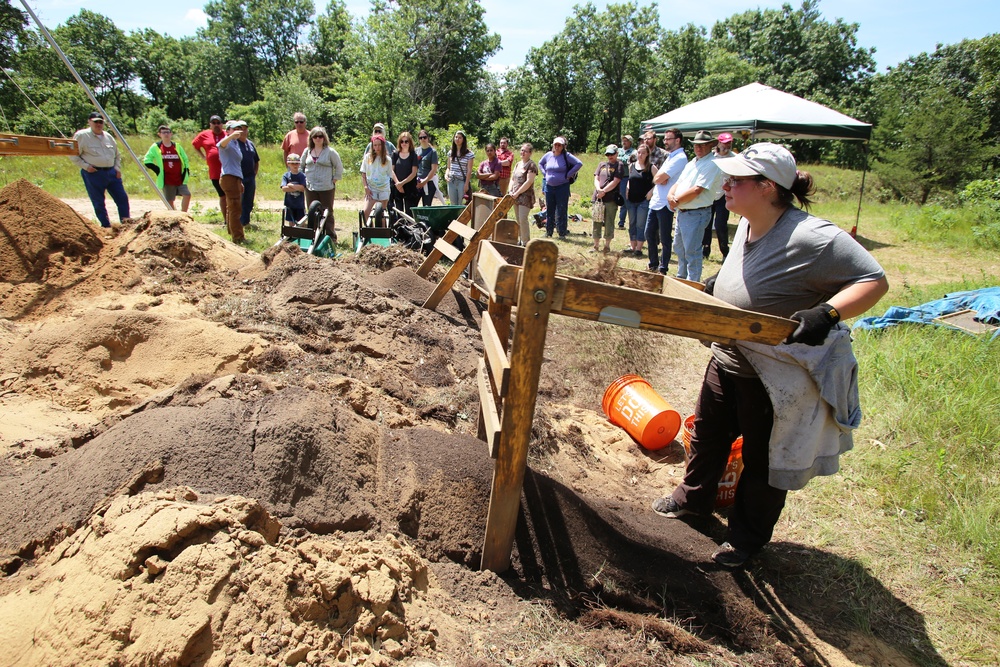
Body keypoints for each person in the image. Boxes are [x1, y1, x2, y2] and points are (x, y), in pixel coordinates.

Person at [651, 142, 889, 569]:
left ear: (766, 187)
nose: (725, 184)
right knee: (707, 435)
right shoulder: (745, 223)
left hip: (773, 374)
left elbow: (873, 279)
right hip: (728, 357)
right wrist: (716, 284)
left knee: (763, 459)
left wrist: (829, 311)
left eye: (736, 180)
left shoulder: (812, 236)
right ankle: (693, 502)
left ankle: (745, 540)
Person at [667, 130, 723, 282]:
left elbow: (698, 189)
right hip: (683, 211)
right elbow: (678, 182)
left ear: (711, 145)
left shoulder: (712, 164)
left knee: (692, 251)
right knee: (679, 247)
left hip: (696, 213)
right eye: (696, 145)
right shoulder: (693, 162)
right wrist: (670, 196)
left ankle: (692, 283)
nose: (698, 148)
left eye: (703, 145)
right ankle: (681, 277)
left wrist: (676, 200)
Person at [70, 111, 130, 228]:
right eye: (96, 122)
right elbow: (73, 155)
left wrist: (117, 168)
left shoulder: (108, 136)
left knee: (122, 198)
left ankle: (126, 224)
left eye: (101, 122)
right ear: (89, 122)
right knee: (98, 202)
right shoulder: (82, 135)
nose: (98, 124)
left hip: (111, 172)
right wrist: (86, 167)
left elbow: (117, 155)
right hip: (94, 173)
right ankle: (106, 226)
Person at [644, 128, 687, 274]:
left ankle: (663, 268)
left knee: (664, 237)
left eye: (668, 139)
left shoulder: (680, 158)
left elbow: (658, 178)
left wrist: (659, 177)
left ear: (677, 140)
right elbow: (658, 178)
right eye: (665, 139)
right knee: (649, 233)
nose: (665, 141)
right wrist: (659, 178)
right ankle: (653, 264)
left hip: (665, 203)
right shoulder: (670, 157)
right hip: (656, 201)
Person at [538, 136, 583, 239]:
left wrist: (569, 174)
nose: (557, 147)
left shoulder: (566, 156)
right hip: (549, 187)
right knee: (550, 209)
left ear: (563, 146)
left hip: (562, 187)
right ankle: (549, 232)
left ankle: (562, 233)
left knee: (561, 210)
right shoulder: (548, 155)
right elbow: (540, 163)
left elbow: (579, 163)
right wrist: (545, 174)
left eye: (559, 145)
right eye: (555, 145)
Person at [303, 126, 344, 234]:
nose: (318, 138)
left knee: (327, 212)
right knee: (312, 212)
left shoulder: (330, 152)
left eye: (320, 136)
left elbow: (339, 167)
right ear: (311, 138)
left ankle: (330, 236)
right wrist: (303, 180)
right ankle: (314, 236)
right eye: (315, 136)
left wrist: (334, 180)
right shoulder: (307, 151)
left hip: (326, 187)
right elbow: (300, 166)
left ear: (324, 138)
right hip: (310, 187)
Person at [143, 125, 191, 212]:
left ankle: (184, 214)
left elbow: (185, 159)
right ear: (159, 134)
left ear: (171, 134)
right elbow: (147, 160)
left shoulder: (177, 146)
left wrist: (186, 170)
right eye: (163, 132)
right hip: (166, 178)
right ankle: (174, 216)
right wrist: (157, 170)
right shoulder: (156, 147)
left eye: (168, 132)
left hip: (179, 177)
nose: (166, 134)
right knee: (170, 200)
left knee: (187, 195)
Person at [703, 132, 734, 259]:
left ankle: (725, 251)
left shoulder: (734, 158)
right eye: (724, 143)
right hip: (710, 194)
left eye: (729, 143)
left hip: (723, 195)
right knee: (707, 224)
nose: (727, 146)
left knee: (721, 224)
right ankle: (705, 250)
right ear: (719, 143)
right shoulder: (712, 157)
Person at [191, 115, 227, 220]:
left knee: (231, 196)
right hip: (215, 172)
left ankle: (233, 220)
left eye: (218, 123)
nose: (216, 125)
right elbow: (195, 145)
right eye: (214, 123)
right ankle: (226, 219)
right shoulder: (204, 135)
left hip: (228, 170)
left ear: (222, 124)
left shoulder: (226, 134)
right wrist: (203, 156)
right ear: (210, 125)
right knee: (223, 196)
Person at [591, 144, 625, 253]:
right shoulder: (601, 164)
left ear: (616, 154)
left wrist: (604, 191)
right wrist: (598, 190)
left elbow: (616, 181)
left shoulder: (619, 165)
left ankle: (607, 246)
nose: (610, 156)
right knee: (597, 220)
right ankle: (595, 245)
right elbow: (596, 178)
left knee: (609, 221)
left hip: (611, 198)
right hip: (598, 198)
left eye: (612, 154)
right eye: (608, 154)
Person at [216, 120, 246, 243]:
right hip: (229, 177)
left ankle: (232, 231)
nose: (238, 130)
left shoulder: (235, 143)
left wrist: (239, 181)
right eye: (234, 128)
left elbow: (236, 164)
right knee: (235, 208)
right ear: (228, 130)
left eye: (240, 128)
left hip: (235, 178)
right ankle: (238, 237)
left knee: (232, 206)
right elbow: (220, 145)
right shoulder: (227, 141)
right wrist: (231, 136)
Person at [623, 143, 654, 256]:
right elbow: (630, 180)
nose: (640, 155)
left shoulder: (651, 167)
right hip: (631, 199)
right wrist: (627, 189)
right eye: (639, 153)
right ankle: (632, 246)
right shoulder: (632, 166)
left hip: (643, 201)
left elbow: (659, 182)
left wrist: (651, 192)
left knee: (640, 224)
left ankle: (639, 249)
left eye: (643, 153)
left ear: (647, 154)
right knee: (631, 223)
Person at [508, 143, 538, 245]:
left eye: (525, 151)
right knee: (517, 219)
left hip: (525, 196)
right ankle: (520, 240)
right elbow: (512, 179)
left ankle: (526, 243)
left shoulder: (532, 165)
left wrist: (517, 192)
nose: (522, 152)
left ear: (530, 153)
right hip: (515, 195)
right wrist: (510, 191)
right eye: (521, 150)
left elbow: (529, 182)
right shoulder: (518, 164)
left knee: (523, 218)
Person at [361, 134, 392, 224]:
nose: (377, 147)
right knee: (365, 211)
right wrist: (366, 187)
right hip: (371, 189)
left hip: (383, 189)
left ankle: (382, 233)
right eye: (375, 145)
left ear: (383, 145)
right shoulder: (367, 157)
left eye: (379, 145)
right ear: (372, 146)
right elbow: (363, 173)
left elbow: (389, 174)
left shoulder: (388, 159)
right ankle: (370, 230)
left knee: (381, 214)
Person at [390, 131, 420, 216]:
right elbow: (391, 170)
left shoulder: (413, 155)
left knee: (408, 212)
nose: (404, 143)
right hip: (397, 186)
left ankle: (408, 228)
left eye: (406, 141)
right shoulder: (395, 154)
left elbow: (414, 173)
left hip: (410, 186)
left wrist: (402, 183)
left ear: (410, 142)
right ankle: (399, 228)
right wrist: (398, 184)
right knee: (399, 211)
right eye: (402, 141)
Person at [237, 122, 260, 227]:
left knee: (249, 200)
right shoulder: (235, 143)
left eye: (245, 129)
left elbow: (256, 160)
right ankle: (238, 223)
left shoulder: (250, 144)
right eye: (241, 129)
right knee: (239, 201)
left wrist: (255, 172)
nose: (243, 131)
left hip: (250, 177)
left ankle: (246, 222)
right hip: (239, 177)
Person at [444, 130, 475, 205]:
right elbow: (448, 167)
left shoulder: (469, 154)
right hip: (451, 180)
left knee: (461, 203)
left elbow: (469, 170)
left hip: (461, 181)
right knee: (453, 203)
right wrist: (446, 175)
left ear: (463, 139)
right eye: (456, 137)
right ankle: (454, 217)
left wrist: (466, 184)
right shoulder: (451, 152)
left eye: (460, 138)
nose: (457, 139)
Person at [415, 130, 442, 206]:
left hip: (429, 182)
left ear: (428, 138)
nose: (423, 139)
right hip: (417, 182)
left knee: (426, 205)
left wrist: (425, 181)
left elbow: (434, 169)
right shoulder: (416, 151)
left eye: (424, 137)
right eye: (420, 138)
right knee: (413, 204)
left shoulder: (433, 152)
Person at [281, 153, 307, 224]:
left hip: (300, 204)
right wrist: (297, 187)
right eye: (292, 163)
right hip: (290, 204)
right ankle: (292, 235)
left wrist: (291, 185)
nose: (295, 165)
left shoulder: (302, 176)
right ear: (288, 164)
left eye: (296, 163)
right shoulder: (286, 176)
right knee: (291, 222)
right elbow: (284, 188)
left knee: (301, 222)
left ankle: (300, 235)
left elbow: (302, 188)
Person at [617, 134, 636, 229]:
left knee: (624, 200)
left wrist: (617, 158)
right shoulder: (619, 150)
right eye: (623, 140)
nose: (624, 142)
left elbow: (627, 160)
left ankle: (621, 222)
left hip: (626, 177)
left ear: (630, 142)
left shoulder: (634, 152)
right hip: (615, 177)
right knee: (612, 198)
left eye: (626, 140)